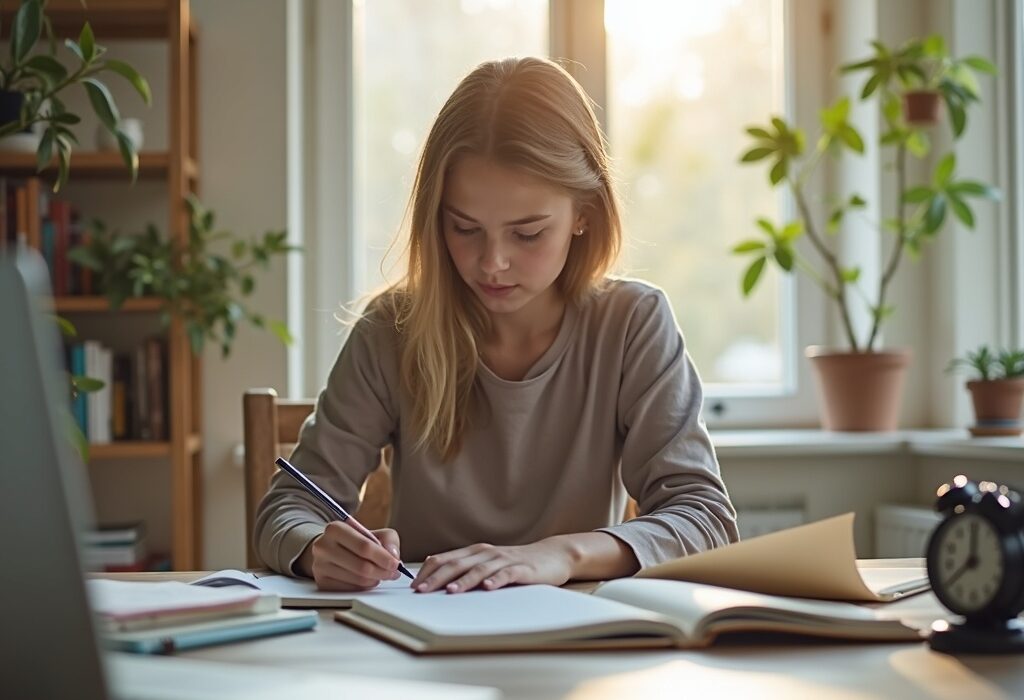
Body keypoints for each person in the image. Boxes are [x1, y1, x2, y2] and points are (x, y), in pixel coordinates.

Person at [255, 56, 738, 594]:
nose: (492, 263)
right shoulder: (391, 330)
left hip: (579, 639)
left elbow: (705, 519)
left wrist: (562, 554)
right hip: (421, 636)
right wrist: (318, 550)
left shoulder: (632, 325)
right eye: (464, 228)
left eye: (527, 234)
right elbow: (288, 507)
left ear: (584, 213)